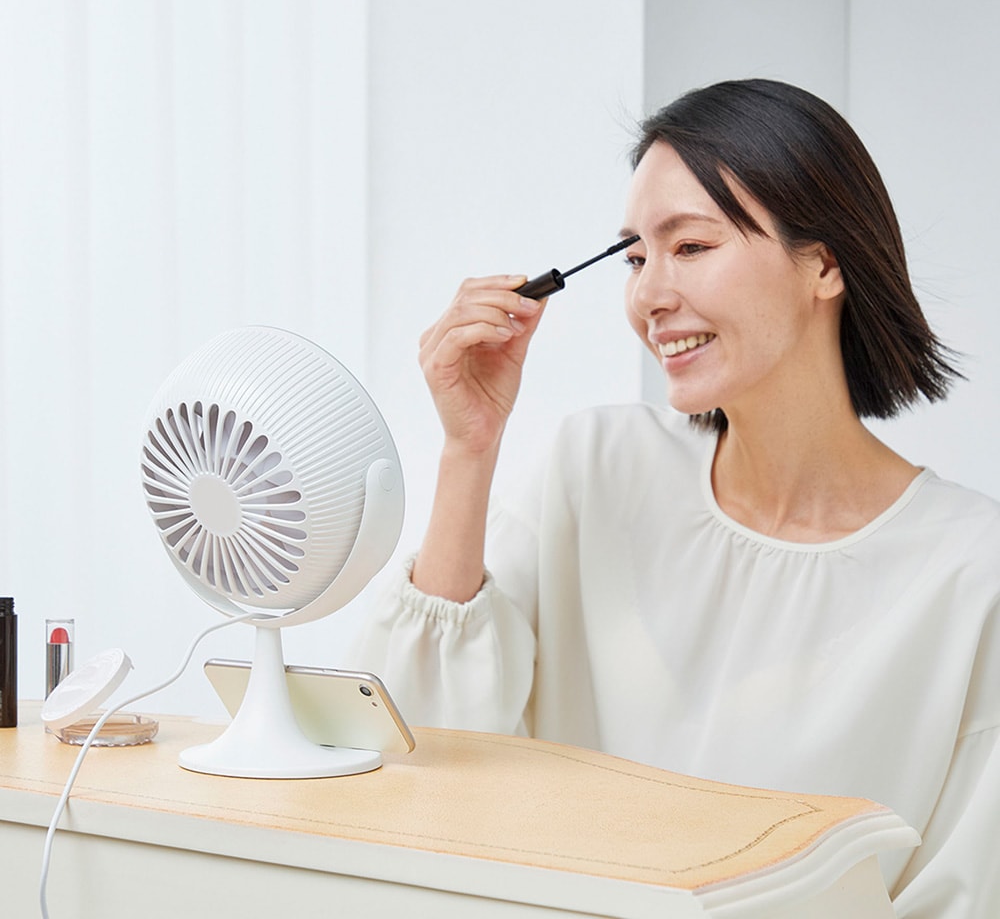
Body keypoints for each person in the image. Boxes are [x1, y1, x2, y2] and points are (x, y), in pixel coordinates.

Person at [354, 79, 1000, 917]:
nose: (649, 296)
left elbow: (964, 888)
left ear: (825, 264)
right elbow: (414, 747)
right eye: (634, 258)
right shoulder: (596, 470)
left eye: (690, 247)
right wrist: (467, 451)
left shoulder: (971, 573)